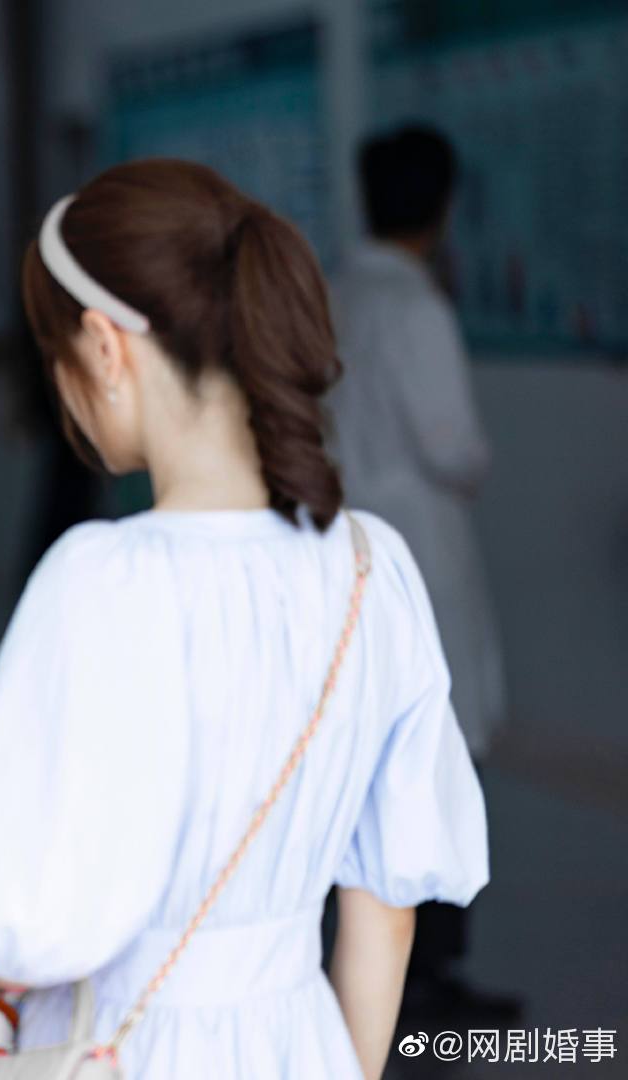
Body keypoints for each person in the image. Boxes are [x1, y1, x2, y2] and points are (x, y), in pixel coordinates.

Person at [0, 159, 489, 1080]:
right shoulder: (373, 567)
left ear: (105, 348)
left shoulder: (99, 578)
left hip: (117, 1049)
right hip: (301, 1043)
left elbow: (10, 930)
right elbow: (386, 910)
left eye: (56, 355)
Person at [324, 126, 513, 1021]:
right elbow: (455, 449)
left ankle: (372, 969)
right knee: (434, 761)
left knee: (366, 759)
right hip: (420, 551)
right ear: (443, 207)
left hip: (340, 545)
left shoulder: (333, 294)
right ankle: (430, 978)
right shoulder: (416, 308)